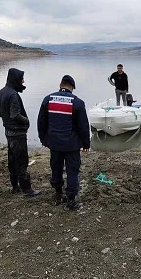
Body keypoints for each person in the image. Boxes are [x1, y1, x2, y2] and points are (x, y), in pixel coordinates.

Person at [37, 75, 90, 211]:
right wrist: (86, 144)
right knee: (72, 171)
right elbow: (83, 126)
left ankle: (58, 193)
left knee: (56, 167)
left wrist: (43, 139)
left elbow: (41, 121)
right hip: (71, 145)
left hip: (54, 143)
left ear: (60, 84)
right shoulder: (77, 102)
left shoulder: (48, 99)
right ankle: (71, 200)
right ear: (72, 87)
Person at [0, 68, 41, 197]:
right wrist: (26, 120)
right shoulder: (13, 94)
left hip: (8, 132)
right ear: (16, 79)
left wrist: (7, 120)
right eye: (21, 79)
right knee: (21, 161)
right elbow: (15, 115)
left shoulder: (2, 92)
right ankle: (27, 190)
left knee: (12, 159)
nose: (23, 81)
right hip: (18, 133)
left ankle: (15, 186)